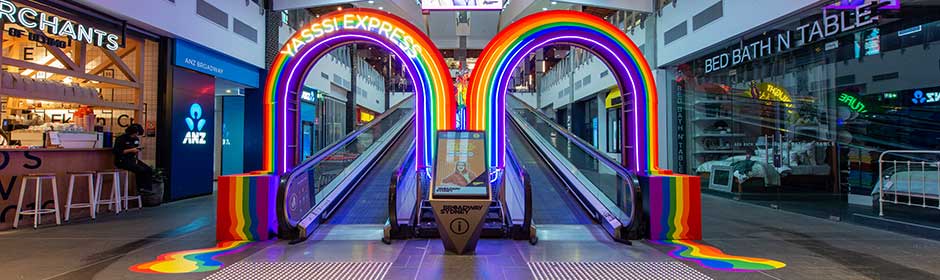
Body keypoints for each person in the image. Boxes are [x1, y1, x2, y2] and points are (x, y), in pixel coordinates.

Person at [113, 124, 154, 196]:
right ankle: (140, 188)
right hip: (122, 160)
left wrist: (137, 150)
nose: (136, 136)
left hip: (132, 159)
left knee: (148, 169)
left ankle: (147, 189)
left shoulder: (136, 139)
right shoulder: (120, 139)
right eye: (135, 134)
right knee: (140, 169)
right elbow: (117, 152)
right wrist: (131, 150)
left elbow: (135, 148)